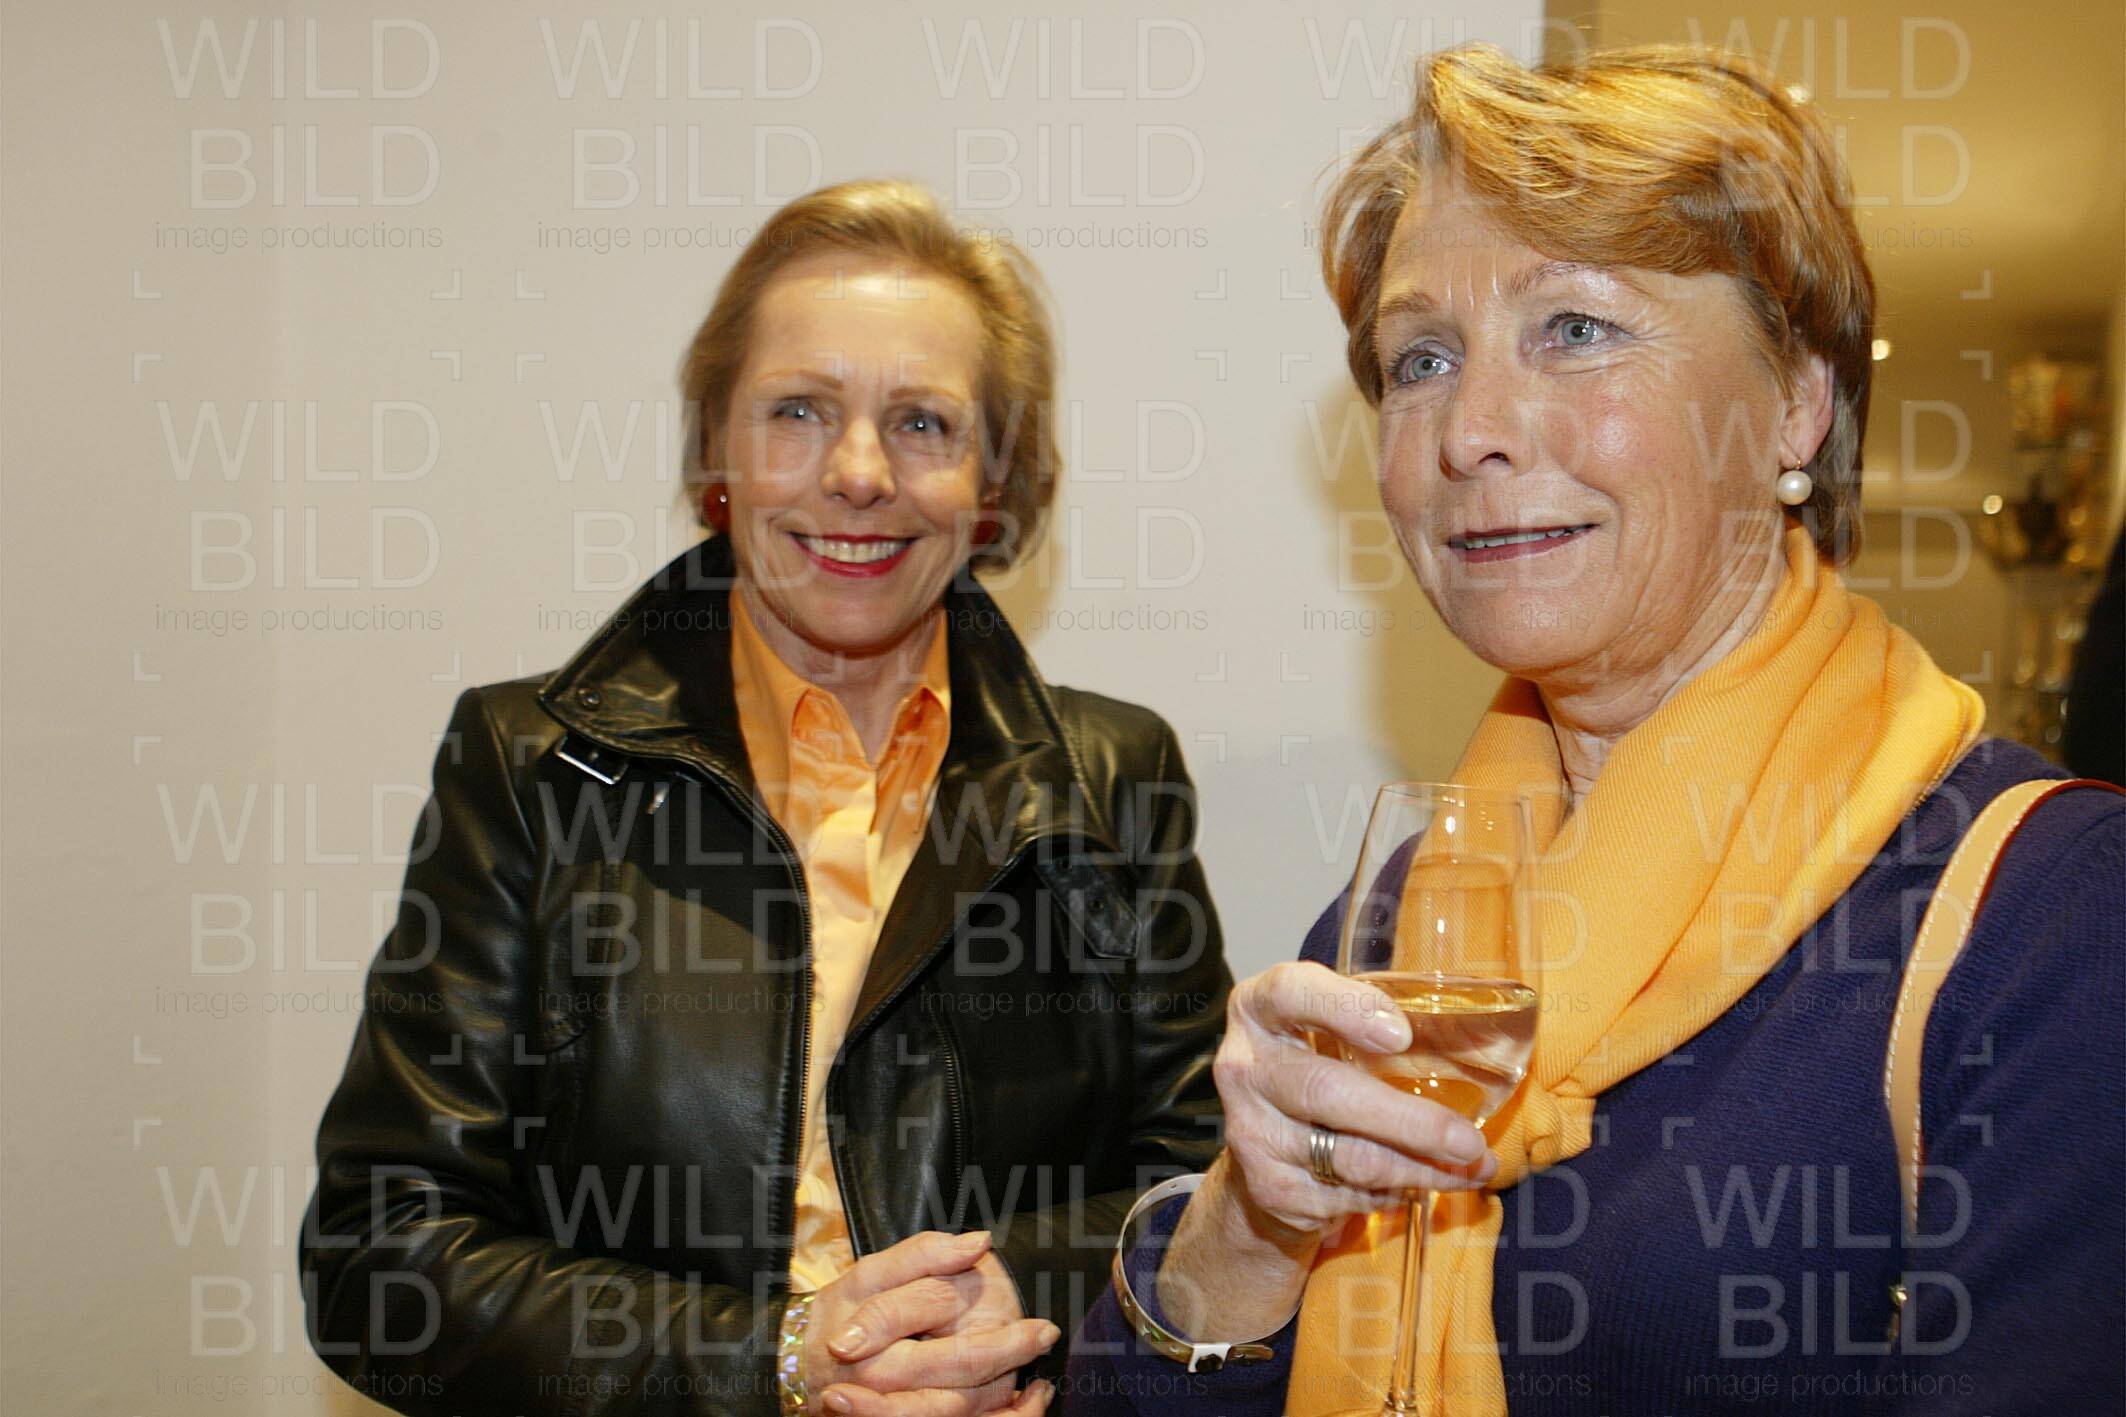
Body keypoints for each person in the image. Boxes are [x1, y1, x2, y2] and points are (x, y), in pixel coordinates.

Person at [1067, 44, 2126, 1415]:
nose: (1468, 430)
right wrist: (1241, 1226)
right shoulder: (1404, 915)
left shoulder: (2047, 915)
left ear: (1796, 401)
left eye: (1573, 328)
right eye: (1419, 358)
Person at [300, 179, 1231, 1417]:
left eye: (922, 422)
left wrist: (998, 1305)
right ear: (716, 451)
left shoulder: (1114, 778)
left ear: (994, 480)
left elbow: (1214, 1196)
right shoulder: (528, 770)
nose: (858, 474)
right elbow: (378, 1258)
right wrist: (780, 1362)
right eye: (797, 410)